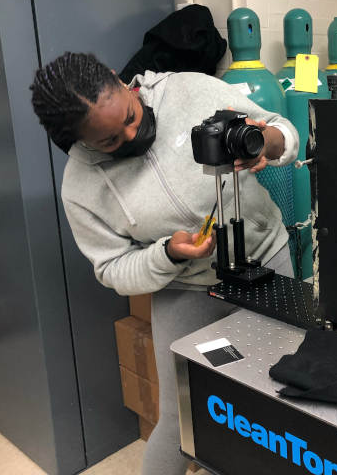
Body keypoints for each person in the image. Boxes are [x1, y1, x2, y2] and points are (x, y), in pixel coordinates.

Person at [29, 52, 298, 475]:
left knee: (283, 397)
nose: (133, 134)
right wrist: (167, 254)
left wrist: (269, 142)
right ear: (77, 141)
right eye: (111, 142)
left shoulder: (190, 90)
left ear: (120, 82)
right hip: (186, 288)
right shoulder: (81, 189)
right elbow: (112, 269)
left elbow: (281, 129)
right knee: (183, 414)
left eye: (131, 116)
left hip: (267, 259)